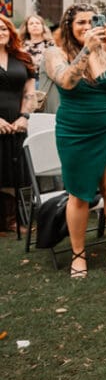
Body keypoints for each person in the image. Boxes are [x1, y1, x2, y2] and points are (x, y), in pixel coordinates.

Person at [45, 4, 106, 278]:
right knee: (79, 193)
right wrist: (86, 49)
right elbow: (66, 81)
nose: (87, 26)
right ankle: (78, 255)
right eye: (81, 22)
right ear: (69, 26)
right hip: (75, 130)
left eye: (92, 20)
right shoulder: (54, 53)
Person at [0, 15, 36, 232]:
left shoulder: (23, 58)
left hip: (17, 123)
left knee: (16, 169)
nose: (1, 32)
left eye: (4, 28)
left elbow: (29, 93)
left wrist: (24, 116)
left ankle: (14, 219)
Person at [20, 15, 56, 113]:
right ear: (27, 28)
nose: (34, 25)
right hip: (25, 83)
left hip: (45, 83)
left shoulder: (51, 45)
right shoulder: (20, 46)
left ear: (42, 26)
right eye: (31, 23)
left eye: (37, 23)